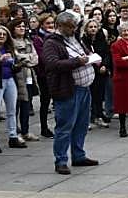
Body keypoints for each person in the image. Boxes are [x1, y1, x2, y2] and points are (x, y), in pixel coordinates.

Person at [41, 11, 99, 175]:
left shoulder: (75, 38)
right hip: (68, 90)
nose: (74, 29)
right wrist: (77, 62)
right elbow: (52, 64)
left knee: (81, 125)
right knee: (65, 126)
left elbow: (85, 52)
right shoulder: (51, 43)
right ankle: (60, 160)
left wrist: (91, 57)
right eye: (70, 27)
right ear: (60, 26)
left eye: (75, 26)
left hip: (84, 88)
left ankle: (78, 155)